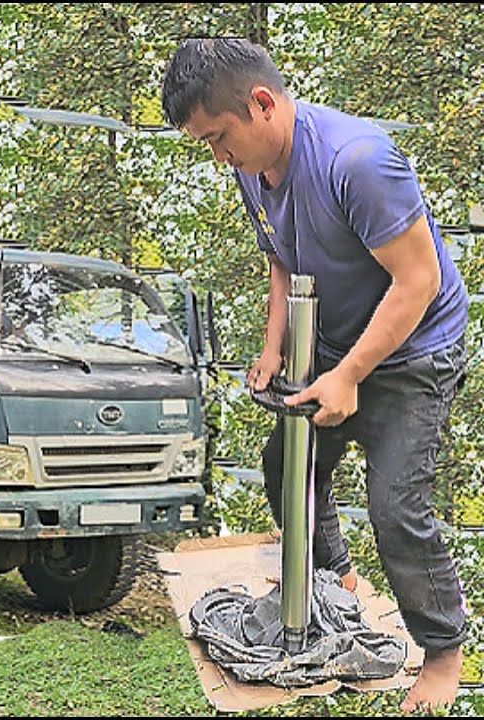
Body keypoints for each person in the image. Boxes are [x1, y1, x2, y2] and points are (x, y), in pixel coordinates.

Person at [162, 38, 468, 712]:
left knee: (396, 508)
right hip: (333, 343)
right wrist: (274, 348)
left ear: (261, 103)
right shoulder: (252, 166)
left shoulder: (356, 161)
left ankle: (444, 653)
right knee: (289, 468)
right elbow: (281, 256)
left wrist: (350, 375)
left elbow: (418, 280)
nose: (218, 157)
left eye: (218, 138)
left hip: (416, 350)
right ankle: (340, 585)